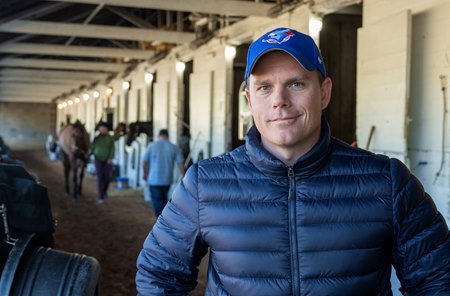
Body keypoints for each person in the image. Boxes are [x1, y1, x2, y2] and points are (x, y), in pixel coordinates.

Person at [136, 27, 450, 295]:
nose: (279, 101)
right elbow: (159, 273)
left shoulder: (388, 181)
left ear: (324, 93)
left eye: (296, 84)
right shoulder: (205, 183)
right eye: (264, 87)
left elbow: (438, 279)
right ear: (249, 100)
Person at [142, 129, 185, 217]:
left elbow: (144, 162)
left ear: (159, 135)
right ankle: (164, 219)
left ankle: (161, 220)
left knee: (157, 201)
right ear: (168, 136)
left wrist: (145, 173)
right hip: (167, 179)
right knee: (163, 199)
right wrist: (183, 175)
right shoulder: (173, 147)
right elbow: (181, 163)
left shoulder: (152, 145)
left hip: (154, 179)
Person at [89, 121, 115, 204]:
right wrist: (88, 153)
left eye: (104, 128)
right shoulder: (96, 138)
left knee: (107, 177)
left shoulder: (110, 138)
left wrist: (110, 158)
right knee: (99, 176)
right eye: (101, 128)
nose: (102, 130)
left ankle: (104, 191)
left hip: (107, 160)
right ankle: (100, 196)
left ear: (107, 129)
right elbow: (92, 147)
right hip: (98, 159)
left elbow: (112, 148)